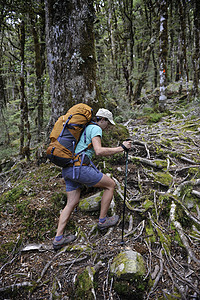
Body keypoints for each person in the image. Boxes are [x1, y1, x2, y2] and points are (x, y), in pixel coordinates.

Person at [53, 108, 132, 250]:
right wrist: (121, 148)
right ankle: (102, 221)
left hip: (68, 169)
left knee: (71, 202)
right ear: (102, 120)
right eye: (107, 123)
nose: (107, 126)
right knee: (110, 185)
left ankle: (58, 238)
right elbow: (99, 151)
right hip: (80, 168)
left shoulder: (83, 128)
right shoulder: (95, 129)